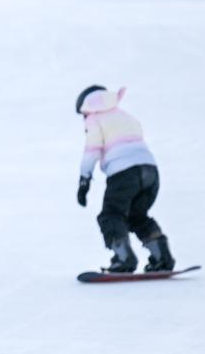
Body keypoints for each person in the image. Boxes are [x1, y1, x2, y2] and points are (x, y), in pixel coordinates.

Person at [75, 86, 176, 273]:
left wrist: (84, 179)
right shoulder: (125, 116)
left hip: (124, 172)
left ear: (87, 106)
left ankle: (124, 258)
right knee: (137, 216)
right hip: (150, 170)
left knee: (110, 215)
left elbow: (92, 150)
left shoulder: (94, 118)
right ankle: (162, 256)